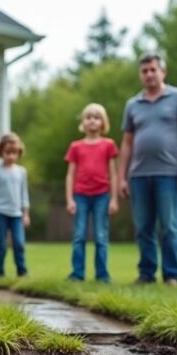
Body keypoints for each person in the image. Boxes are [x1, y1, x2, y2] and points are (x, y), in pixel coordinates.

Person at [118, 54, 177, 286]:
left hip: (169, 173)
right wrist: (121, 177)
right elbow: (127, 143)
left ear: (163, 71)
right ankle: (146, 274)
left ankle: (172, 275)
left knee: (169, 226)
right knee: (143, 227)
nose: (149, 74)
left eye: (153, 69)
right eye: (144, 71)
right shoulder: (133, 104)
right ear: (140, 75)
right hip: (138, 175)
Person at [64, 103, 120, 282]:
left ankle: (102, 275)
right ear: (83, 122)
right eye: (88, 117)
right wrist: (69, 199)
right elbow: (70, 175)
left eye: (96, 117)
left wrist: (114, 199)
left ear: (103, 122)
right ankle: (77, 273)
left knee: (101, 236)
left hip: (102, 196)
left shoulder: (108, 145)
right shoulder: (75, 147)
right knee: (79, 235)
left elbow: (113, 173)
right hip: (80, 195)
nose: (92, 121)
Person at [0, 133, 31, 277]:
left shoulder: (21, 172)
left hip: (17, 214)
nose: (10, 156)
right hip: (0, 213)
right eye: (7, 153)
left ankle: (22, 271)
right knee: (2, 245)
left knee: (19, 243)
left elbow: (24, 193)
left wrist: (26, 213)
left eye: (14, 153)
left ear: (18, 153)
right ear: (1, 152)